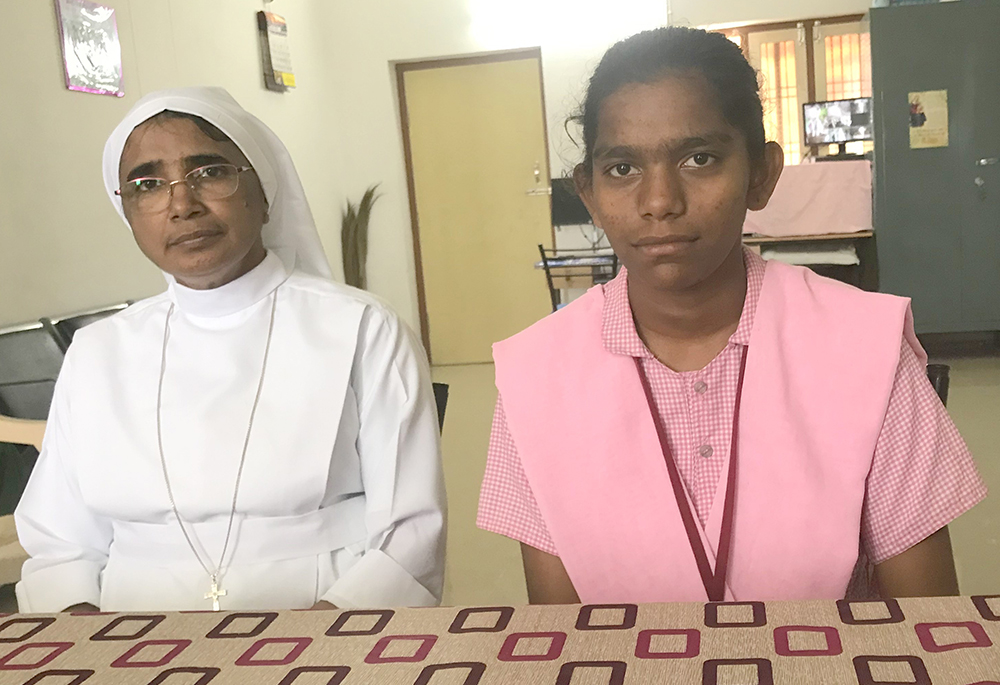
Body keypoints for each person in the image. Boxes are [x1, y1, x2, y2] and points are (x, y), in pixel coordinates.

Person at [478, 28, 986, 604]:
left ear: (762, 174)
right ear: (589, 192)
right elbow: (567, 639)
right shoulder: (534, 378)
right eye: (622, 168)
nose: (660, 200)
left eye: (699, 158)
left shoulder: (866, 348)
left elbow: (926, 624)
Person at [15, 87, 446, 612]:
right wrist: (94, 646)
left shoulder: (363, 328)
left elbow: (411, 532)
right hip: (125, 638)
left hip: (327, 630)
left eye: (209, 172)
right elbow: (60, 541)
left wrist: (316, 644)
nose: (181, 205)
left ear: (263, 191)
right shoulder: (96, 351)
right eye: (148, 185)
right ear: (127, 213)